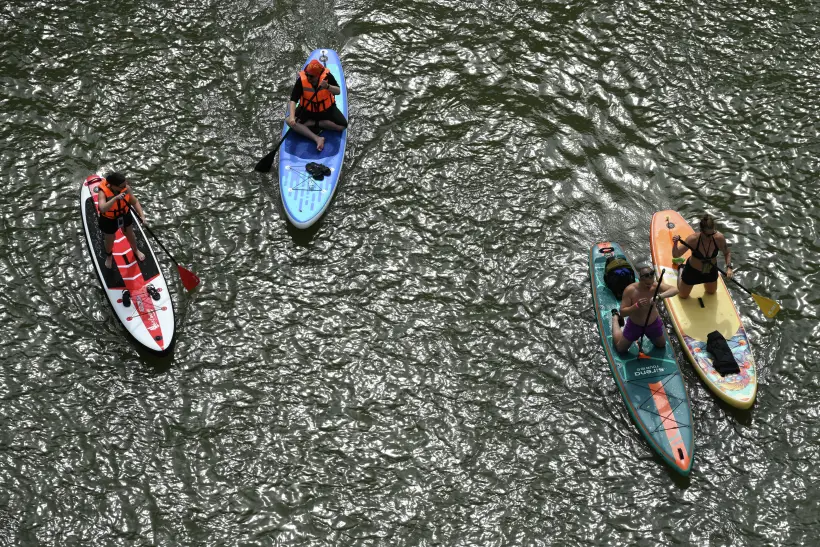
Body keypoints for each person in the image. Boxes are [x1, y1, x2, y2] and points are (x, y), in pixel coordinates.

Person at [611, 264, 678, 353]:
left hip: (652, 323)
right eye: (647, 284)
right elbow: (623, 312)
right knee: (621, 349)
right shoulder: (630, 290)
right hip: (635, 325)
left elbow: (675, 290)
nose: (649, 286)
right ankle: (615, 318)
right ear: (640, 279)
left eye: (651, 283)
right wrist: (636, 305)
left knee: (661, 345)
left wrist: (659, 296)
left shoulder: (655, 286)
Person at [286, 59, 348, 152]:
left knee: (343, 126)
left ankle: (315, 123)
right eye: (307, 75)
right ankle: (317, 138)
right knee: (288, 121)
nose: (308, 78)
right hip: (307, 110)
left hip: (326, 109)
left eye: (311, 76)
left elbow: (338, 91)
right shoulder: (301, 80)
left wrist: (328, 86)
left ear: (318, 75)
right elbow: (293, 100)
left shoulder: (327, 77)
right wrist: (291, 117)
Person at [672, 214, 733, 299]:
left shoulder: (719, 238)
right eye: (708, 235)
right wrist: (675, 244)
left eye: (713, 233)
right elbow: (676, 254)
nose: (711, 237)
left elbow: (727, 253)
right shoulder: (693, 240)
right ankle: (681, 268)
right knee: (683, 295)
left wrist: (729, 268)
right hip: (693, 271)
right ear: (701, 231)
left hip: (710, 270)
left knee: (711, 292)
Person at [96, 172, 146, 269]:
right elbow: (102, 208)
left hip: (124, 214)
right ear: (112, 185)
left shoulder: (126, 188)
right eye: (122, 186)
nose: (125, 187)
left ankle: (135, 250)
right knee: (110, 239)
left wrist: (142, 216)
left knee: (130, 234)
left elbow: (134, 202)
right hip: (109, 219)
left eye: (125, 184)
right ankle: (109, 256)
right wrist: (115, 198)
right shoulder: (103, 192)